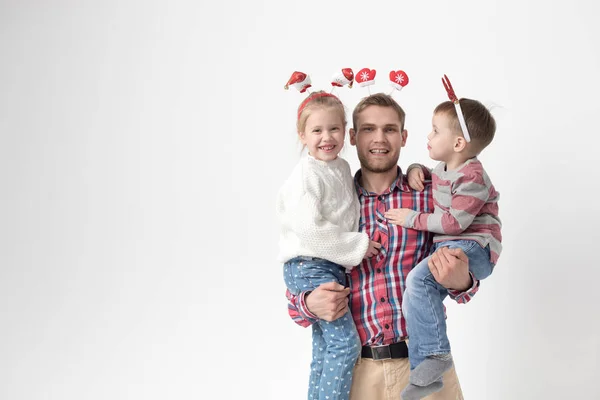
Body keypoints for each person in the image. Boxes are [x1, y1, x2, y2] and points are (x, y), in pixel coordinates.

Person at [286, 93, 480, 400]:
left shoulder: (431, 195)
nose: (380, 139)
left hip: (425, 366)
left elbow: (467, 263)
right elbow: (300, 285)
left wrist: (463, 281)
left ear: (403, 137)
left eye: (390, 129)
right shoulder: (333, 205)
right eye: (368, 129)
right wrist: (308, 304)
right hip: (357, 372)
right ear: (352, 135)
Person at [384, 96, 502, 399]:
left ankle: (434, 359)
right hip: (454, 245)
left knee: (417, 280)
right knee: (417, 292)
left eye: (436, 131)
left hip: (474, 246)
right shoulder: (445, 168)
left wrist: (410, 218)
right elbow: (433, 176)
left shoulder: (473, 176)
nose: (428, 136)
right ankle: (425, 372)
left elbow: (453, 224)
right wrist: (414, 168)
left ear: (459, 143)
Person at [276, 90, 381, 400]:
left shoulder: (342, 169)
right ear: (303, 136)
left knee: (325, 347)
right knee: (345, 344)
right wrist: (358, 244)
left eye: (334, 128)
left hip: (327, 265)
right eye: (317, 130)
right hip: (308, 265)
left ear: (346, 132)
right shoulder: (307, 175)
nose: (327, 137)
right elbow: (310, 230)